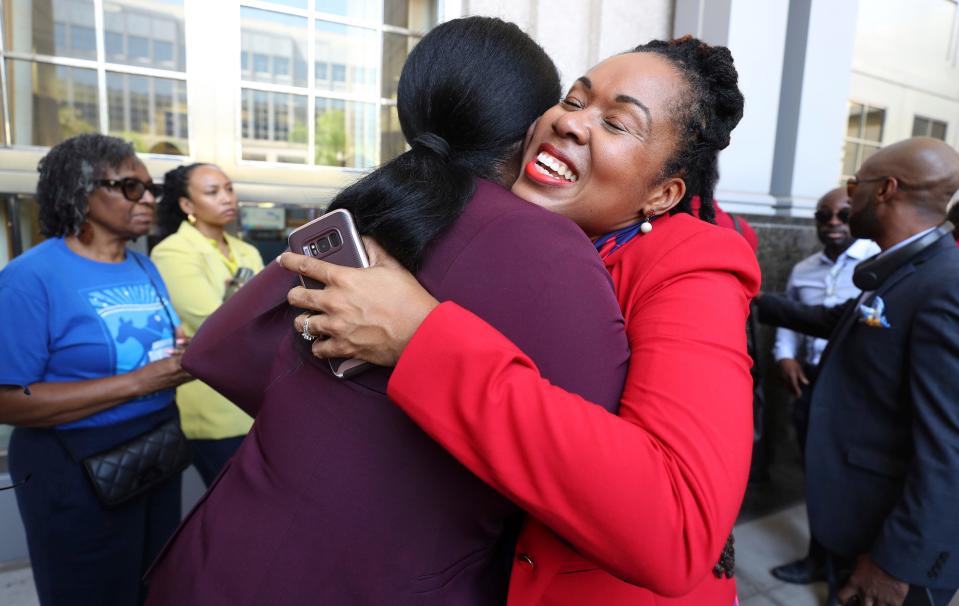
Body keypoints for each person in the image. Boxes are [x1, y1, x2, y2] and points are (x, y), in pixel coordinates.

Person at [144, 17, 629, 605]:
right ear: (534, 125)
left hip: (218, 557)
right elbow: (593, 469)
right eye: (571, 104)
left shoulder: (374, 209)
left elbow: (222, 347)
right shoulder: (550, 250)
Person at [278, 35, 760, 605]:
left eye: (618, 123)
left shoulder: (691, 268)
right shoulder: (497, 229)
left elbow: (678, 526)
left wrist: (420, 339)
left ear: (661, 195)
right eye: (575, 101)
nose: (572, 124)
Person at [757, 137, 959, 606]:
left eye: (855, 185)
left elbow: (950, 445)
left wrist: (896, 561)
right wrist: (749, 301)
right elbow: (842, 322)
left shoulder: (944, 285)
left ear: (886, 189)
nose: (849, 199)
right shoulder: (905, 267)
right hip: (858, 518)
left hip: (893, 551)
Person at [0, 134, 192, 606]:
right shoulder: (30, 278)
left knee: (154, 583)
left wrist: (177, 349)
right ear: (81, 191)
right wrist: (141, 381)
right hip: (71, 465)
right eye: (130, 187)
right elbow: (7, 401)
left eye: (152, 189)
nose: (148, 199)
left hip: (154, 448)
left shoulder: (145, 267)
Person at [769, 187, 879, 587]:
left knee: (852, 483)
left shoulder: (875, 264)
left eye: (842, 215)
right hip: (812, 382)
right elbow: (789, 319)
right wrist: (784, 356)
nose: (832, 223)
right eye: (823, 215)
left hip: (858, 388)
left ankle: (848, 569)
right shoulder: (804, 269)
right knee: (816, 475)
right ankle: (818, 559)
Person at [150, 163, 263, 485]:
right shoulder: (173, 251)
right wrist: (250, 312)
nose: (227, 198)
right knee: (239, 510)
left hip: (256, 399)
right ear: (187, 205)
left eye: (229, 188)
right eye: (213, 192)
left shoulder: (247, 250)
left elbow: (270, 315)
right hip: (212, 406)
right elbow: (214, 324)